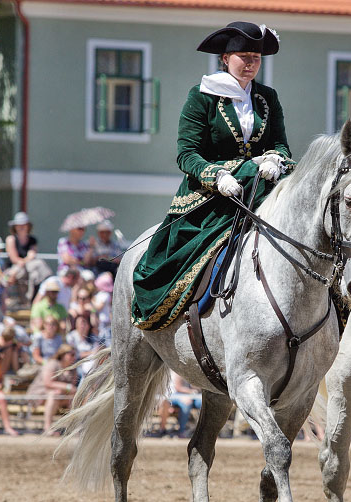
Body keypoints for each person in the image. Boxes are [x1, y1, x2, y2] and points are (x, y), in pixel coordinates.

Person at [131, 21, 292, 331]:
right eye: (243, 56)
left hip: (259, 186)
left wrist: (276, 158)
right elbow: (186, 153)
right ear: (225, 59)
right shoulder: (202, 96)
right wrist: (217, 175)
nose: (250, 64)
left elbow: (280, 143)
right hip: (213, 194)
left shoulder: (267, 97)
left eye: (255, 58)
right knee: (184, 257)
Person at [27, 344, 79, 434]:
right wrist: (66, 387)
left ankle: (74, 426)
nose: (74, 357)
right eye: (71, 354)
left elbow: (72, 388)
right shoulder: (52, 364)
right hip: (39, 393)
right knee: (55, 394)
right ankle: (47, 427)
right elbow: (47, 383)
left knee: (74, 396)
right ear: (63, 355)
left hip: (59, 395)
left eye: (75, 355)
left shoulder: (73, 368)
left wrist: (67, 389)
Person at [4, 211, 52, 304]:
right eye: (19, 225)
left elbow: (32, 255)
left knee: (38, 268)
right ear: (15, 226)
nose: (21, 227)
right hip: (15, 268)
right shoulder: (11, 239)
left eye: (24, 224)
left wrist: (24, 261)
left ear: (28, 226)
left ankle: (38, 296)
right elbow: (14, 259)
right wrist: (25, 260)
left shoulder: (32, 240)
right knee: (20, 271)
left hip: (29, 267)